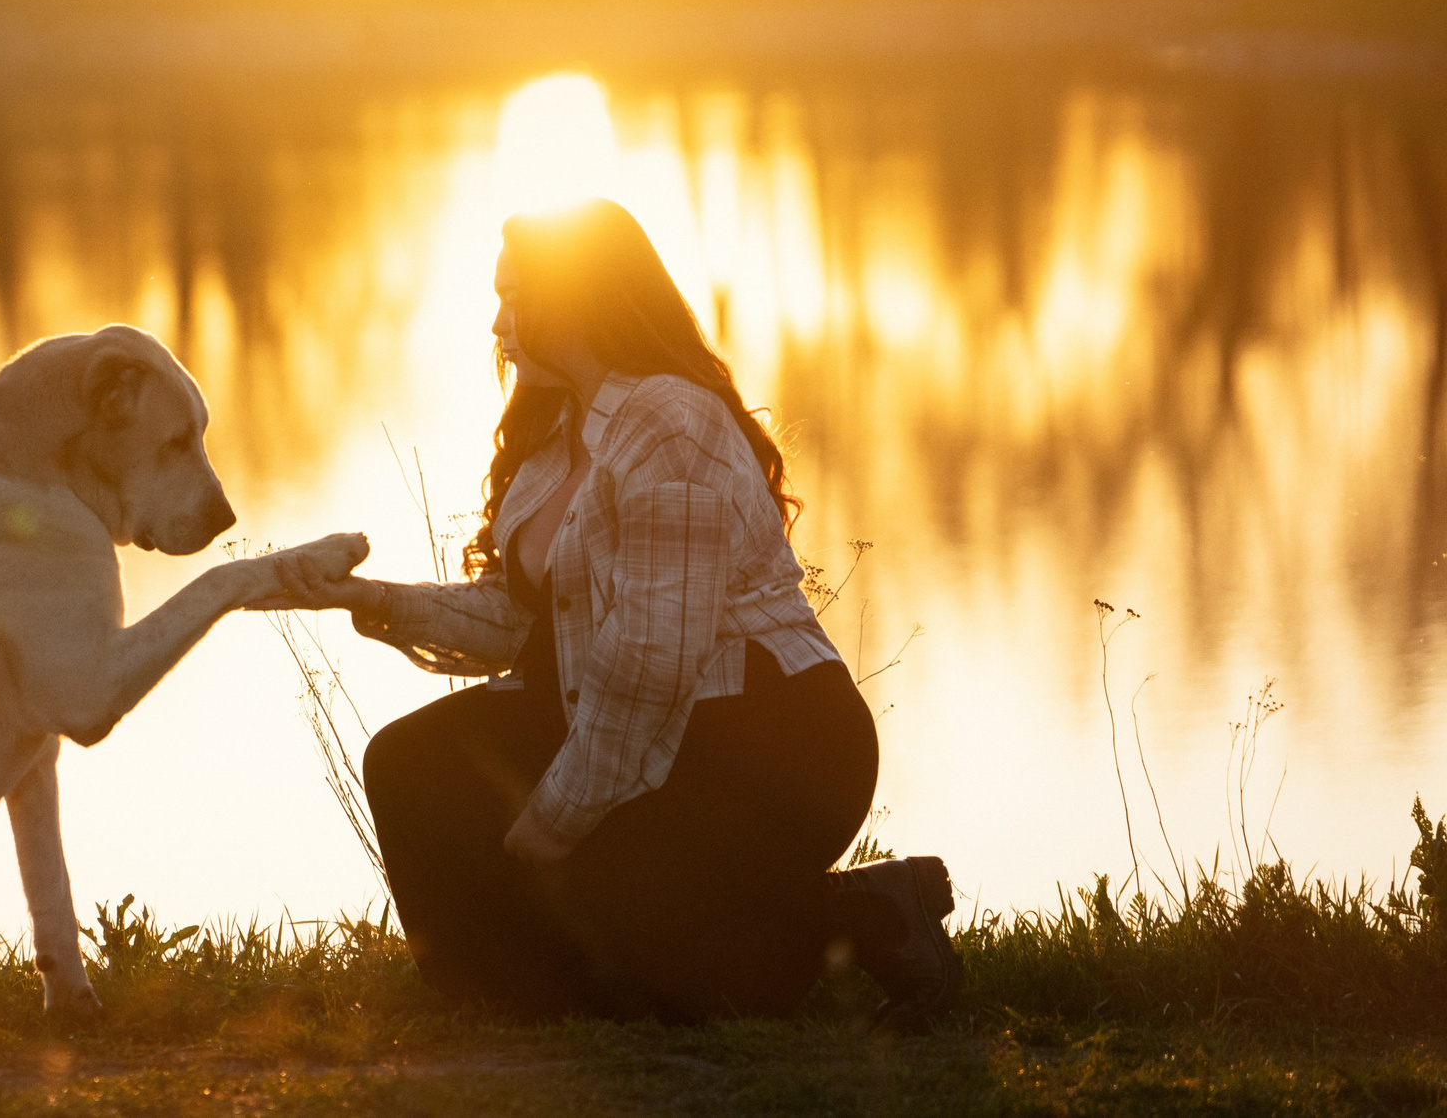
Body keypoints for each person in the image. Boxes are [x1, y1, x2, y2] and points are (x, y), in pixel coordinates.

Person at [258, 199, 962, 1024]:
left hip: (769, 738)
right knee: (410, 764)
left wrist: (556, 816)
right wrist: (368, 599)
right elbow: (518, 623)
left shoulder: (670, 420)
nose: (496, 320)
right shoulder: (558, 428)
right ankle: (488, 991)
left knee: (634, 940)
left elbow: (654, 659)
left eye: (513, 295)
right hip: (643, 721)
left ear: (575, 295)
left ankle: (874, 912)